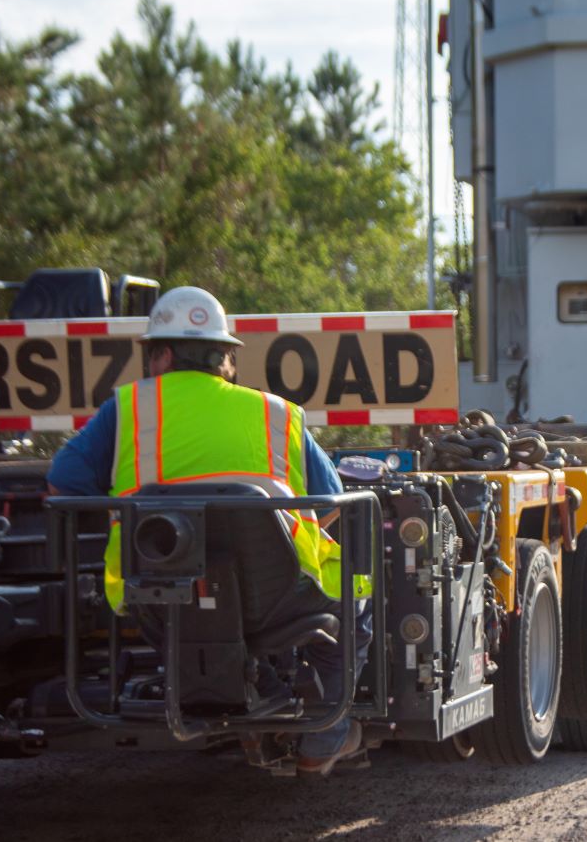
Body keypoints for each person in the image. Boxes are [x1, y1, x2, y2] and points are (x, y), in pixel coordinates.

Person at [48, 286, 371, 774]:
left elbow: (64, 484)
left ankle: (258, 688)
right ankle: (324, 736)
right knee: (357, 597)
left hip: (159, 601)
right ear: (226, 358)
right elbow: (328, 501)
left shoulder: (128, 409)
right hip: (278, 602)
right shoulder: (274, 413)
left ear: (161, 355)